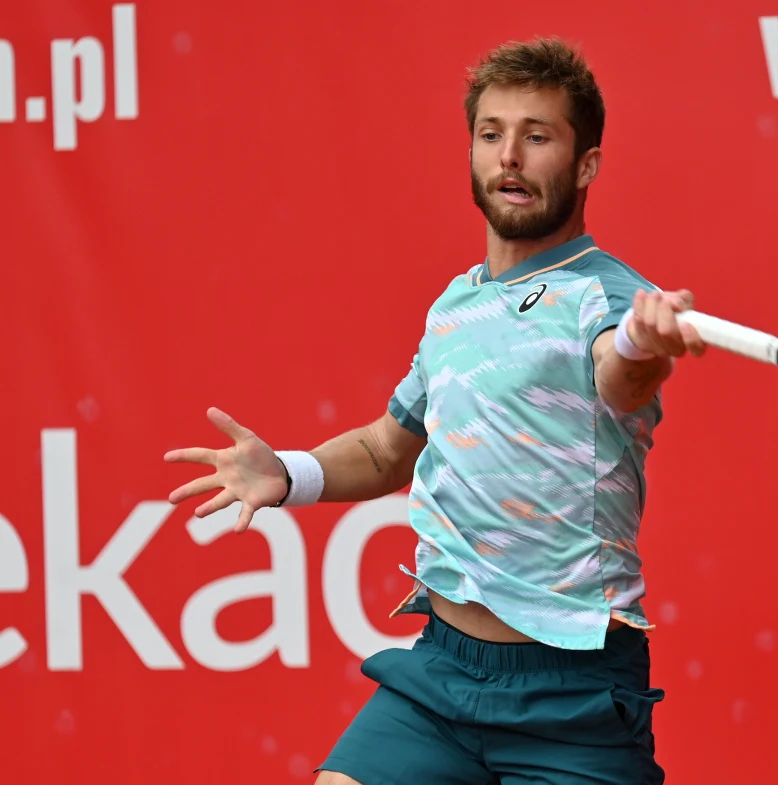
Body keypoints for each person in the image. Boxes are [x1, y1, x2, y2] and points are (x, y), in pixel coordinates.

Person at [164, 37, 706, 785]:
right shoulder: (454, 307)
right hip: (443, 673)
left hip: (574, 695)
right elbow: (390, 449)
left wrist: (645, 340)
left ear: (587, 165)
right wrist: (286, 472)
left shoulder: (605, 296)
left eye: (537, 136)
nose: (509, 156)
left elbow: (621, 379)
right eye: (492, 134)